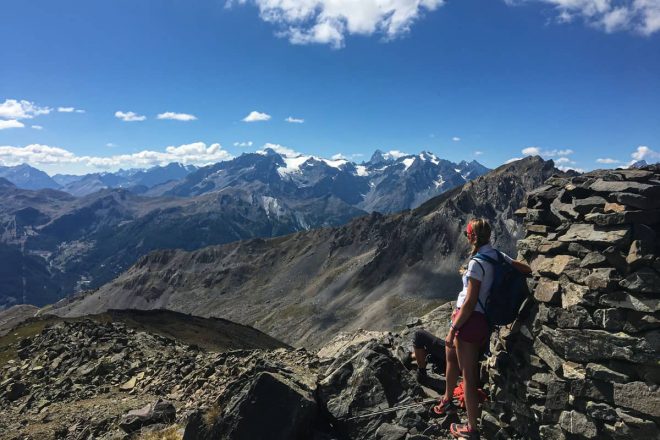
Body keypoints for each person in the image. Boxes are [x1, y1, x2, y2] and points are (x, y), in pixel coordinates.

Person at [432, 218, 531, 440]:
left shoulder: (477, 262)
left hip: (469, 322)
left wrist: (453, 328)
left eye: (468, 233)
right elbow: (524, 268)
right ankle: (449, 400)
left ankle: (472, 429)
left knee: (468, 377)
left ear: (473, 237)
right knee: (453, 359)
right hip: (482, 320)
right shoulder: (496, 255)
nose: (466, 236)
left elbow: (470, 300)